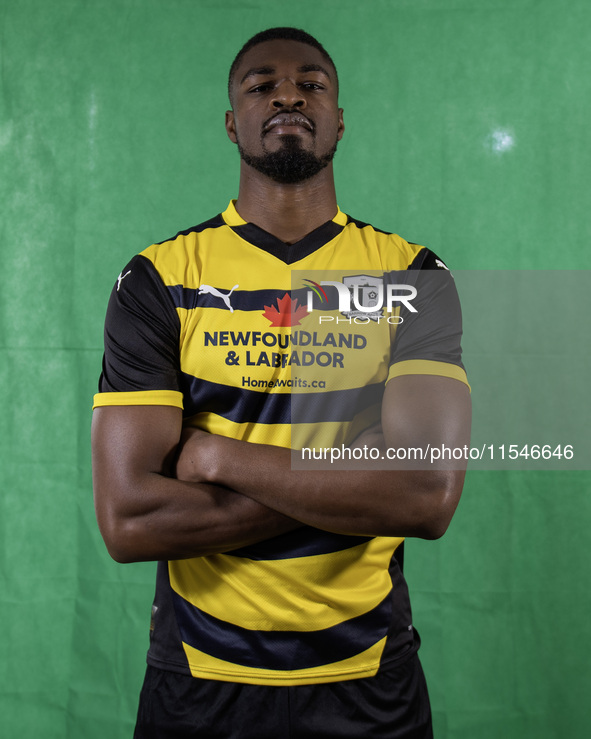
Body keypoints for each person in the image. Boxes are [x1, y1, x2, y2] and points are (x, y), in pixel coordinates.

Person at [92, 26, 471, 739]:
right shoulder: (158, 280)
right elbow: (129, 519)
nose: (288, 93)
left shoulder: (412, 276)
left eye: (311, 83)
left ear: (337, 119)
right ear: (233, 121)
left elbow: (425, 496)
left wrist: (221, 458)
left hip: (367, 681)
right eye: (261, 85)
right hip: (199, 683)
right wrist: (352, 475)